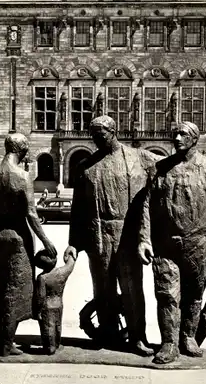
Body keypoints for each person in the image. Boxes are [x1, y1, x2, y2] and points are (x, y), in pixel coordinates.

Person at [64, 115, 162, 356]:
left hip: (128, 235)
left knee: (132, 289)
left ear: (113, 131)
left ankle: (138, 337)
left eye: (101, 135)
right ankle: (107, 333)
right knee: (102, 289)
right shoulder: (86, 166)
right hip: (98, 234)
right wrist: (73, 243)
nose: (97, 140)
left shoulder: (138, 157)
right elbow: (77, 210)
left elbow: (168, 166)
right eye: (94, 136)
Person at [138, 121, 206, 364]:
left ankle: (188, 337)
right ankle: (169, 343)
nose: (177, 138)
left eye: (183, 134)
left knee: (194, 293)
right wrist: (143, 239)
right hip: (165, 244)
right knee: (167, 294)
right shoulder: (158, 169)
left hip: (198, 243)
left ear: (195, 139)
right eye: (175, 134)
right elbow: (146, 206)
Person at [0, 133, 57, 357]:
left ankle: (1, 340)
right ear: (22, 150)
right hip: (19, 237)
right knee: (18, 287)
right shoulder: (23, 177)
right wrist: (46, 241)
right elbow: (32, 215)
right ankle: (6, 344)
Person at [34, 249, 75, 355]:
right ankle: (56, 344)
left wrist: (38, 311)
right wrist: (71, 253)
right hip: (59, 304)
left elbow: (41, 296)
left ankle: (50, 347)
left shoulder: (42, 278)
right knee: (57, 325)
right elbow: (70, 265)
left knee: (48, 326)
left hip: (47, 306)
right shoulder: (62, 272)